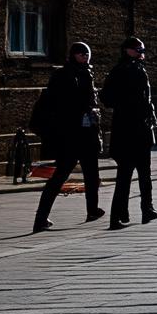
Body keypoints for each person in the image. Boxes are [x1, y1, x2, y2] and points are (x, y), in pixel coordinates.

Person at [32, 42, 105, 233]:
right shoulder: (63, 75)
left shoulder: (87, 73)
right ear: (73, 55)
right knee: (59, 177)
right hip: (71, 135)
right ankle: (40, 217)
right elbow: (60, 105)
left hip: (87, 132)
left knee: (92, 175)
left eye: (87, 54)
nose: (85, 57)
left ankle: (92, 210)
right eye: (81, 54)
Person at [100, 37, 157, 229]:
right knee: (125, 175)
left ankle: (146, 208)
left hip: (142, 128)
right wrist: (126, 104)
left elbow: (146, 99)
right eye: (137, 49)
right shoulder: (120, 71)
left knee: (145, 173)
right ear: (127, 50)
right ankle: (117, 216)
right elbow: (106, 97)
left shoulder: (140, 69)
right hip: (126, 129)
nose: (141, 52)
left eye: (142, 49)